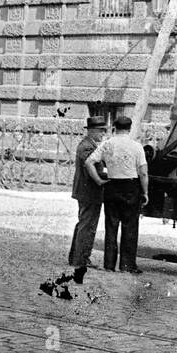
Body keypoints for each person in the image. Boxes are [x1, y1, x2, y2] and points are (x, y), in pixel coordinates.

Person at [85, 114, 149, 274]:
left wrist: (99, 181)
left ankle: (109, 264)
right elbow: (143, 173)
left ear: (114, 128)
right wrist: (145, 192)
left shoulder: (107, 144)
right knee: (130, 227)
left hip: (112, 186)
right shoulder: (136, 146)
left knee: (111, 226)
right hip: (131, 187)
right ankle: (127, 265)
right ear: (129, 129)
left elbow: (89, 162)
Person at [68, 116, 107, 283]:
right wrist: (103, 178)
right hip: (88, 191)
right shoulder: (86, 146)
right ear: (91, 131)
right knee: (87, 225)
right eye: (100, 131)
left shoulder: (89, 145)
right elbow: (90, 166)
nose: (103, 134)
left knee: (84, 223)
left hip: (87, 191)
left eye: (103, 131)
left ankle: (77, 257)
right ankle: (80, 259)